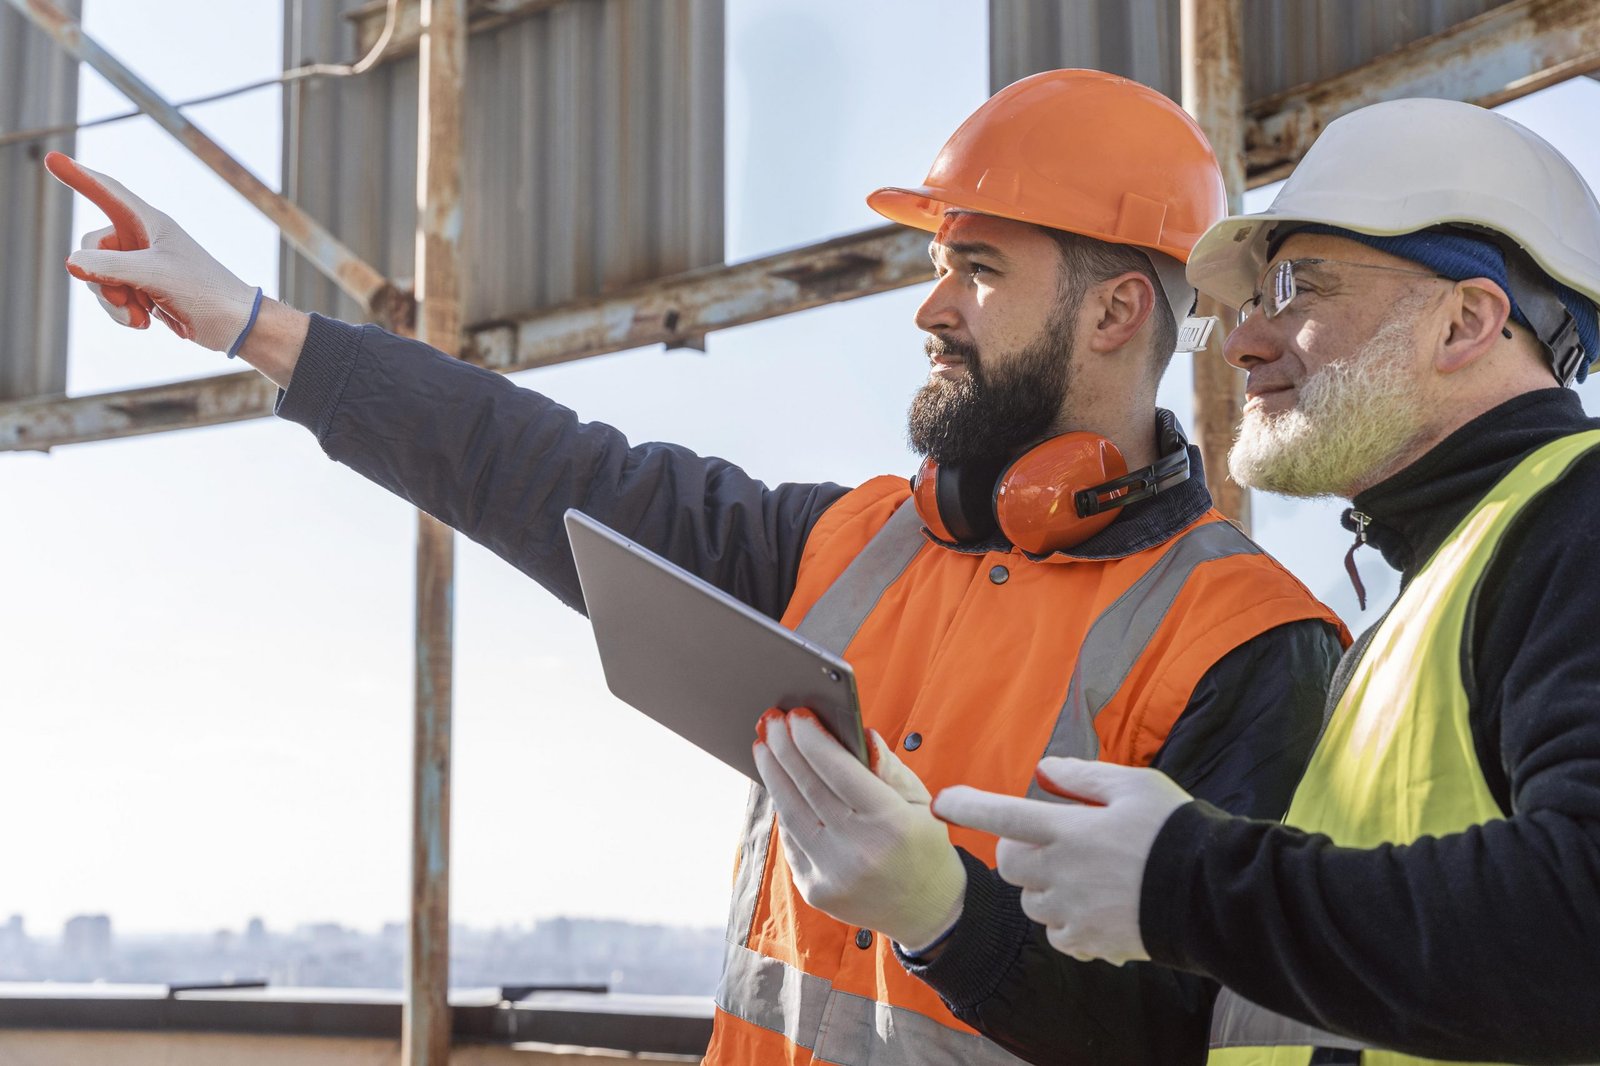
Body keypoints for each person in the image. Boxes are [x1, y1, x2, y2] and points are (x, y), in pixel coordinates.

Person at [49, 70, 1345, 1066]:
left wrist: (955, 919)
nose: (929, 306)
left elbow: (1210, 1042)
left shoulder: (1246, 646)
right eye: (938, 263)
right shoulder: (850, 543)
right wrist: (239, 316)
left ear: (1117, 311)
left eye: (978, 268)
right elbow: (536, 462)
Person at [937, 96, 1600, 1065]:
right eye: (1246, 305)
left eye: (1295, 286)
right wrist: (939, 913)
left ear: (1464, 321)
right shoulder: (1425, 600)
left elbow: (1578, 926)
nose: (1244, 340)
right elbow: (1238, 1019)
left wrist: (1188, 882)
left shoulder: (1576, 522)